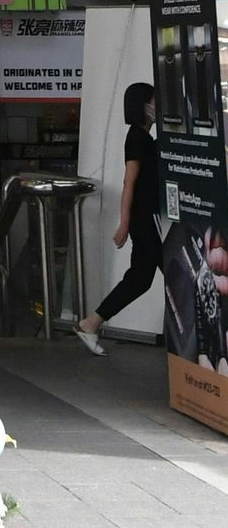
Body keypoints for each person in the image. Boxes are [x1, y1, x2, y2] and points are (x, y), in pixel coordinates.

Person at [76, 81, 160, 352]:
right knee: (159, 274)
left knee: (140, 277)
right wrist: (124, 223)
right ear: (143, 106)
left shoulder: (143, 138)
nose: (157, 106)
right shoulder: (137, 138)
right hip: (146, 219)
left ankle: (91, 322)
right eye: (154, 101)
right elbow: (129, 182)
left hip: (145, 218)